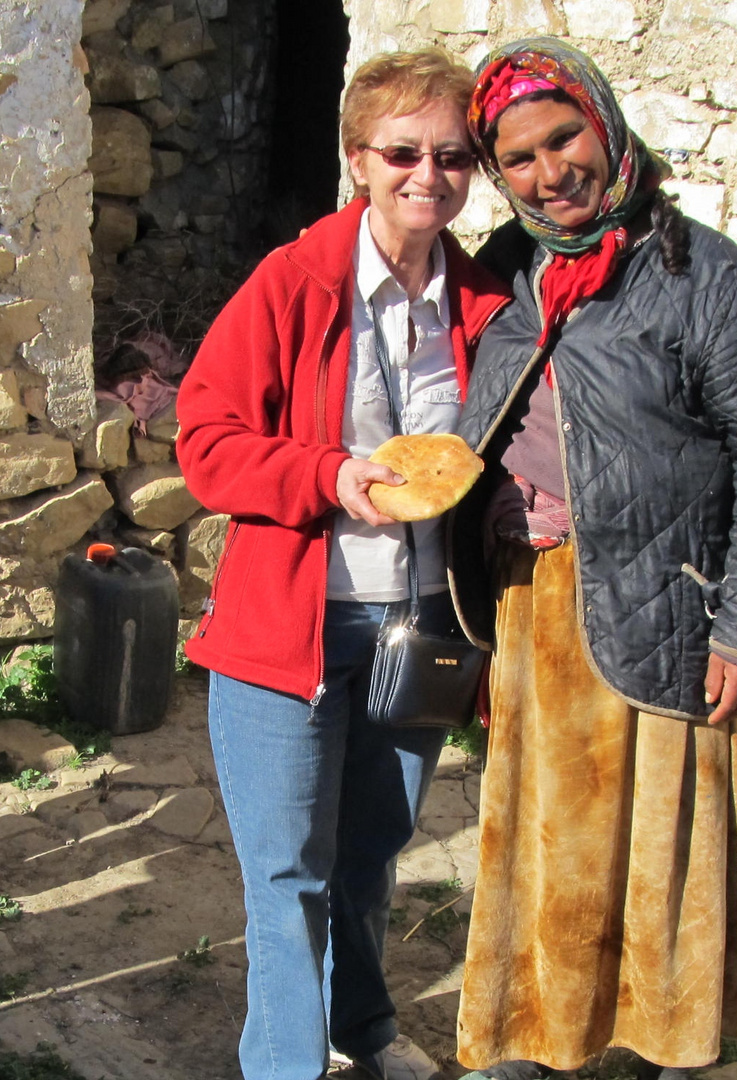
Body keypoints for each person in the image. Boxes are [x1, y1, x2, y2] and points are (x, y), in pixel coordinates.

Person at [448, 37, 737, 1079]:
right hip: (537, 607)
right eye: (516, 158)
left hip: (672, 604)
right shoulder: (512, 274)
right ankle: (533, 1045)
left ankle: (649, 1052)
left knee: (659, 858)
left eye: (563, 138)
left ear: (604, 126)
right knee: (543, 842)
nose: (548, 173)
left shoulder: (708, 278)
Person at [175, 48, 507, 1080]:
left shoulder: (487, 299)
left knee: (371, 855)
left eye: (453, 156)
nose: (428, 176)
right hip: (293, 627)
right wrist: (328, 474)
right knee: (287, 874)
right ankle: (287, 1064)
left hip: (421, 625)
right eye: (402, 152)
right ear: (359, 159)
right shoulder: (295, 282)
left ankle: (360, 1026)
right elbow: (206, 440)